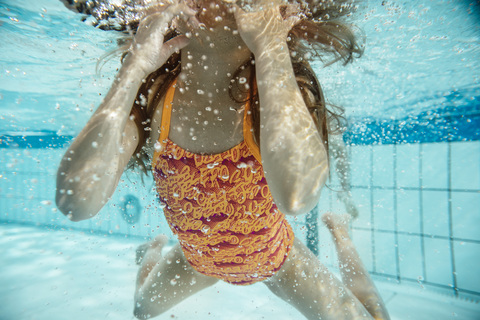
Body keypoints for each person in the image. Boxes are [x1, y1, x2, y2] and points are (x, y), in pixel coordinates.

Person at [56, 0, 389, 319]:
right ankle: (150, 252)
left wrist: (271, 45)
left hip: (276, 256)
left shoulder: (275, 94)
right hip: (194, 260)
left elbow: (298, 195)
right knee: (142, 310)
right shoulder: (157, 95)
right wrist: (135, 65)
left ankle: (341, 235)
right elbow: (76, 201)